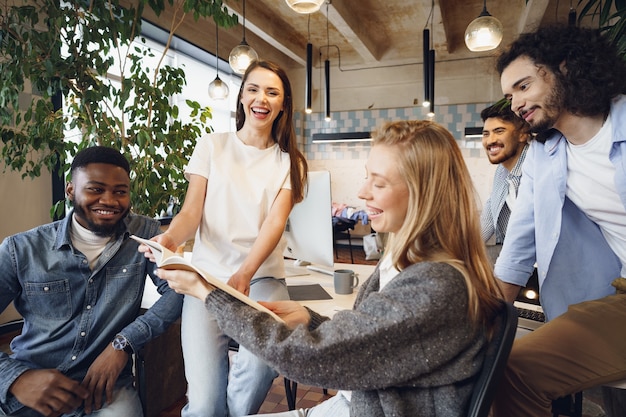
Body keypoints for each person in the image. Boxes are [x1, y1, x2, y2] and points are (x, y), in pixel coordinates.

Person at [155, 120, 504, 417]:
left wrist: (206, 291)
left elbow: (309, 357)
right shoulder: (405, 260)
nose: (362, 191)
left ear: (423, 194)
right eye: (367, 177)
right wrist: (310, 319)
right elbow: (372, 340)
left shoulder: (435, 287)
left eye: (378, 183)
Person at [140, 60, 308, 417]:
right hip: (207, 279)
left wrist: (245, 273)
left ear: (283, 105)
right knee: (204, 404)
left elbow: (274, 225)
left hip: (262, 278)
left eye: (272, 92)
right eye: (253, 89)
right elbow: (190, 214)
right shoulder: (212, 146)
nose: (261, 98)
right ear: (242, 97)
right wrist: (170, 237)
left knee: (260, 365)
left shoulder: (289, 162)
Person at [490, 25, 626, 417]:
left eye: (523, 86)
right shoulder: (543, 156)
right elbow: (518, 245)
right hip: (619, 295)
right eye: (508, 95)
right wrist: (484, 325)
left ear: (563, 68)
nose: (514, 103)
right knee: (511, 370)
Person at [0, 146, 183, 417]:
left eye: (120, 191)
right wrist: (14, 378)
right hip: (30, 386)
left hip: (106, 391)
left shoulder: (144, 235)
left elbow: (178, 290)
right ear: (71, 190)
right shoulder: (21, 249)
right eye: (96, 189)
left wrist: (124, 342)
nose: (109, 200)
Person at [479, 100, 530, 247]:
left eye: (499, 131)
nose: (490, 140)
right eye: (486, 134)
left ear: (522, 134)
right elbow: (488, 219)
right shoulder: (501, 172)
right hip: (518, 261)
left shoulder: (537, 170)